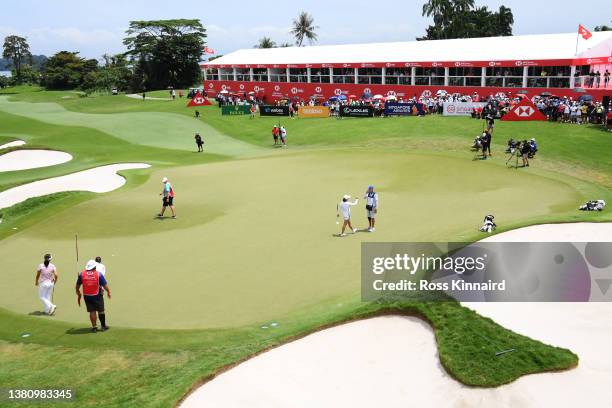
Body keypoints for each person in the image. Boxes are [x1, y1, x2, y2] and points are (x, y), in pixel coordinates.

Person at [76, 260, 110, 333]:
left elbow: (77, 285)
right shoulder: (99, 274)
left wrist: (78, 291)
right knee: (101, 311)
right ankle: (103, 326)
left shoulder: (82, 274)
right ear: (94, 267)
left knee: (92, 311)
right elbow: (105, 285)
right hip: (97, 295)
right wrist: (108, 292)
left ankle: (94, 327)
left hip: (87, 296)